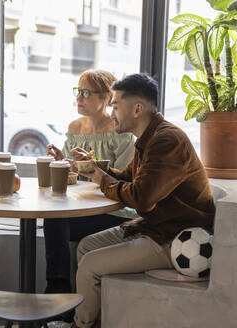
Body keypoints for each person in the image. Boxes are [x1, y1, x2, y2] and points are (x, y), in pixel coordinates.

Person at [51, 73, 216, 328]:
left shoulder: (166, 140)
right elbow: (127, 176)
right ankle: (97, 321)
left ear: (137, 109)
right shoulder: (149, 138)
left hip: (173, 237)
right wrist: (91, 166)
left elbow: (141, 198)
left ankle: (80, 325)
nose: (111, 110)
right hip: (155, 227)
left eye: (115, 104)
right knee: (86, 247)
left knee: (89, 266)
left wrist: (98, 177)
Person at [43, 69, 136, 299]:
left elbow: (124, 180)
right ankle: (58, 294)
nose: (79, 98)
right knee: (53, 219)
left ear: (106, 98)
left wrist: (86, 166)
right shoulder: (75, 128)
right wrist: (61, 163)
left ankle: (62, 299)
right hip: (81, 208)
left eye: (86, 93)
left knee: (57, 221)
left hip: (114, 212)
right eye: (78, 91)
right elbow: (72, 176)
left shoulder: (121, 132)